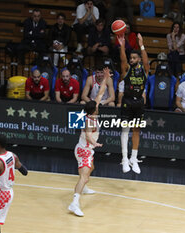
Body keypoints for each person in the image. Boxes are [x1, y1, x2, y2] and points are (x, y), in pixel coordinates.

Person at [68, 67, 111, 217]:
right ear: (93, 111)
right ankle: (74, 203)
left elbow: (100, 92)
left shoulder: (92, 110)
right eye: (97, 106)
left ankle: (83, 188)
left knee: (91, 167)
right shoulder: (90, 122)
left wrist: (105, 77)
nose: (98, 106)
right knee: (84, 177)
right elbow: (87, 136)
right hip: (83, 150)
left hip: (86, 149)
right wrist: (96, 143)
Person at [117, 33, 149, 174]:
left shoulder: (144, 70)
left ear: (139, 59)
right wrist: (122, 45)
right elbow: (123, 59)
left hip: (139, 103)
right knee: (125, 130)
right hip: (127, 102)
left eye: (134, 58)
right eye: (131, 58)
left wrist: (141, 44)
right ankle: (124, 159)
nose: (131, 59)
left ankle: (133, 158)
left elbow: (147, 61)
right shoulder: (127, 69)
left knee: (137, 130)